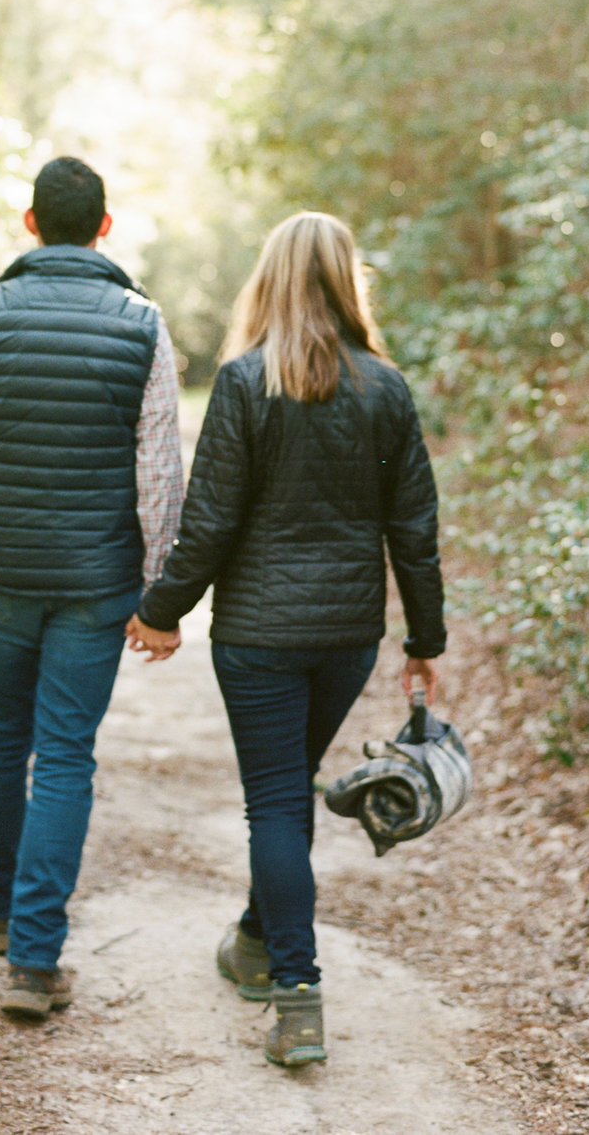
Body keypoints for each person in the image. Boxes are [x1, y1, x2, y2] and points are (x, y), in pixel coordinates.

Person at [127, 210, 446, 1069]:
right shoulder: (386, 387)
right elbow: (414, 526)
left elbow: (212, 520)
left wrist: (161, 611)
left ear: (268, 277)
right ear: (349, 281)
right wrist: (424, 637)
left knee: (274, 800)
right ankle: (255, 939)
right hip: (347, 636)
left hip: (261, 636)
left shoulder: (244, 381)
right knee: (286, 790)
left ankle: (297, 992)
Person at [0, 156, 184, 1019]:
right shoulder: (142, 324)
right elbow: (158, 477)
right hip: (94, 582)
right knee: (65, 752)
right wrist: (156, 592)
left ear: (30, 224)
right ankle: (34, 961)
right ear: (104, 227)